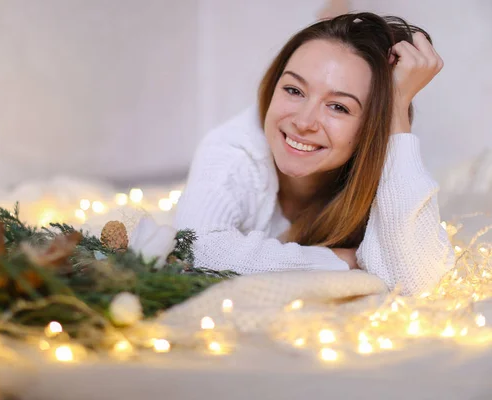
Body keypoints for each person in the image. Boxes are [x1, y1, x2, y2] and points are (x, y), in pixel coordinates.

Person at [173, 12, 455, 296]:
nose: (304, 122)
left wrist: (394, 112)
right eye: (294, 90)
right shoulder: (234, 147)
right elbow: (196, 249)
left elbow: (419, 282)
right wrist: (342, 259)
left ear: (371, 126)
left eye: (339, 107)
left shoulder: (386, 168)